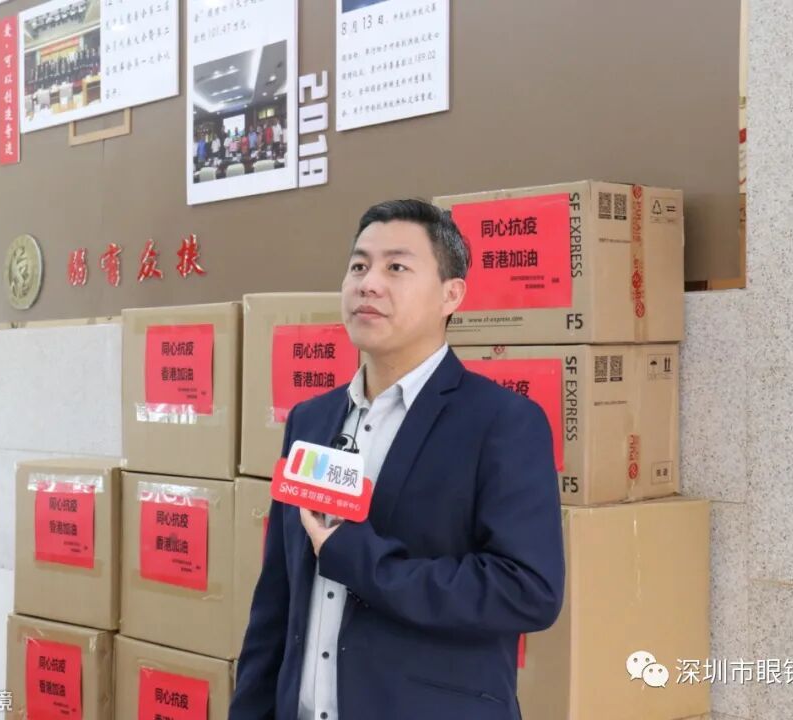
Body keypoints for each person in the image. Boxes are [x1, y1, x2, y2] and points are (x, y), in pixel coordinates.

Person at [228, 200, 565, 720]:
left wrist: (361, 559)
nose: (368, 284)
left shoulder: (501, 422)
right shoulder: (310, 421)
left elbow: (527, 591)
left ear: (451, 295)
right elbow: (277, 594)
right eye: (358, 266)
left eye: (396, 268)